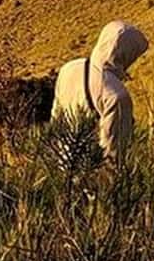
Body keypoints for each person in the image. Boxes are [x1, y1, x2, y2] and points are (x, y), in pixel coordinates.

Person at [52, 20, 148, 161]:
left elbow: (56, 120)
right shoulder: (117, 96)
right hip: (90, 173)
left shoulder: (68, 69)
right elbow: (112, 152)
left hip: (63, 163)